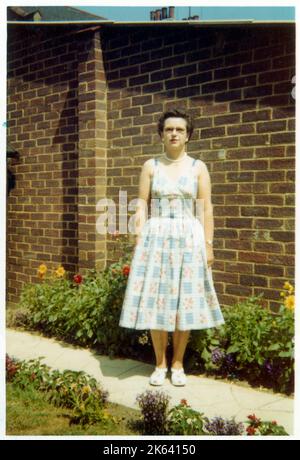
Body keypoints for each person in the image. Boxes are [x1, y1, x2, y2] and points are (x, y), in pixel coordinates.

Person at [119, 109, 224, 386]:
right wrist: (138, 239)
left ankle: (177, 364)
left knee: (183, 303)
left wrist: (209, 246)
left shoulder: (198, 167)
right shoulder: (151, 166)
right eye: (169, 129)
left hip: (189, 239)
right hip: (157, 238)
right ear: (161, 134)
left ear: (188, 135)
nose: (174, 133)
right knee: (157, 302)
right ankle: (159, 363)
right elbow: (142, 204)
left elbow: (205, 209)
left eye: (179, 129)